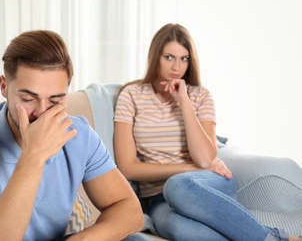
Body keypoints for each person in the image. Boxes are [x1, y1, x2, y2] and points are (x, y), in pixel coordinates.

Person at [0, 30, 146, 240]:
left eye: (55, 101)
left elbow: (129, 209)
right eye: (28, 99)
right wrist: (35, 154)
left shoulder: (79, 135)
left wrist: (84, 239)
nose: (43, 113)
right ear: (4, 86)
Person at [113, 23, 302, 241]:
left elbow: (204, 159)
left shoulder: (200, 96)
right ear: (155, 56)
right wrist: (185, 167)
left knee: (177, 185)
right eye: (169, 57)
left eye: (184, 59)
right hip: (158, 197)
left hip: (208, 183)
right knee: (176, 227)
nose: (177, 67)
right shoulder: (131, 95)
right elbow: (127, 168)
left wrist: (183, 101)